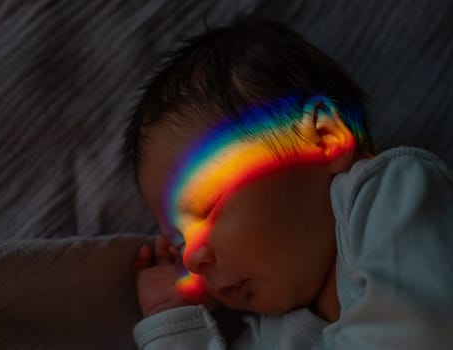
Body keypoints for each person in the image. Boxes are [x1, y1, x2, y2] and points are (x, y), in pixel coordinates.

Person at [123, 15, 453, 349]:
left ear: (323, 137)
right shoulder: (269, 332)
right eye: (179, 244)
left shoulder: (391, 194)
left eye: (209, 206)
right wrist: (173, 320)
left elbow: (422, 331)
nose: (192, 258)